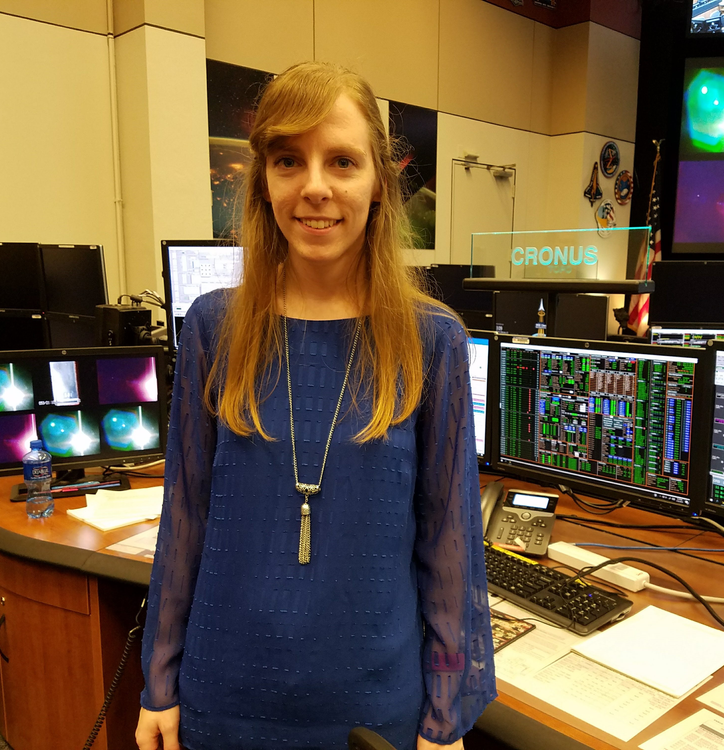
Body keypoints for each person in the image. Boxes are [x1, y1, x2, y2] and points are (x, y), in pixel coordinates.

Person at [135, 61, 496, 750]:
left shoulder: (433, 341)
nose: (315, 188)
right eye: (288, 160)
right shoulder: (215, 327)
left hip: (371, 705)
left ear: (379, 183)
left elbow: (452, 556)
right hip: (224, 694)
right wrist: (159, 680)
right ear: (264, 180)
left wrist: (446, 714)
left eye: (342, 161)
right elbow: (184, 518)